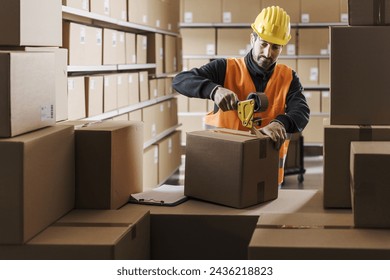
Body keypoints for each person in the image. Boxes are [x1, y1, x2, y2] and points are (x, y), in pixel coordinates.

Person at [172, 6, 310, 185]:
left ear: (282, 48)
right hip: (222, 171)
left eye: (275, 47)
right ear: (252, 39)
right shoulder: (225, 68)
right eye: (264, 43)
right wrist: (214, 90)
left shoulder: (289, 78)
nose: (268, 53)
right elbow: (180, 80)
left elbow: (302, 111)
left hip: (265, 176)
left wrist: (280, 123)